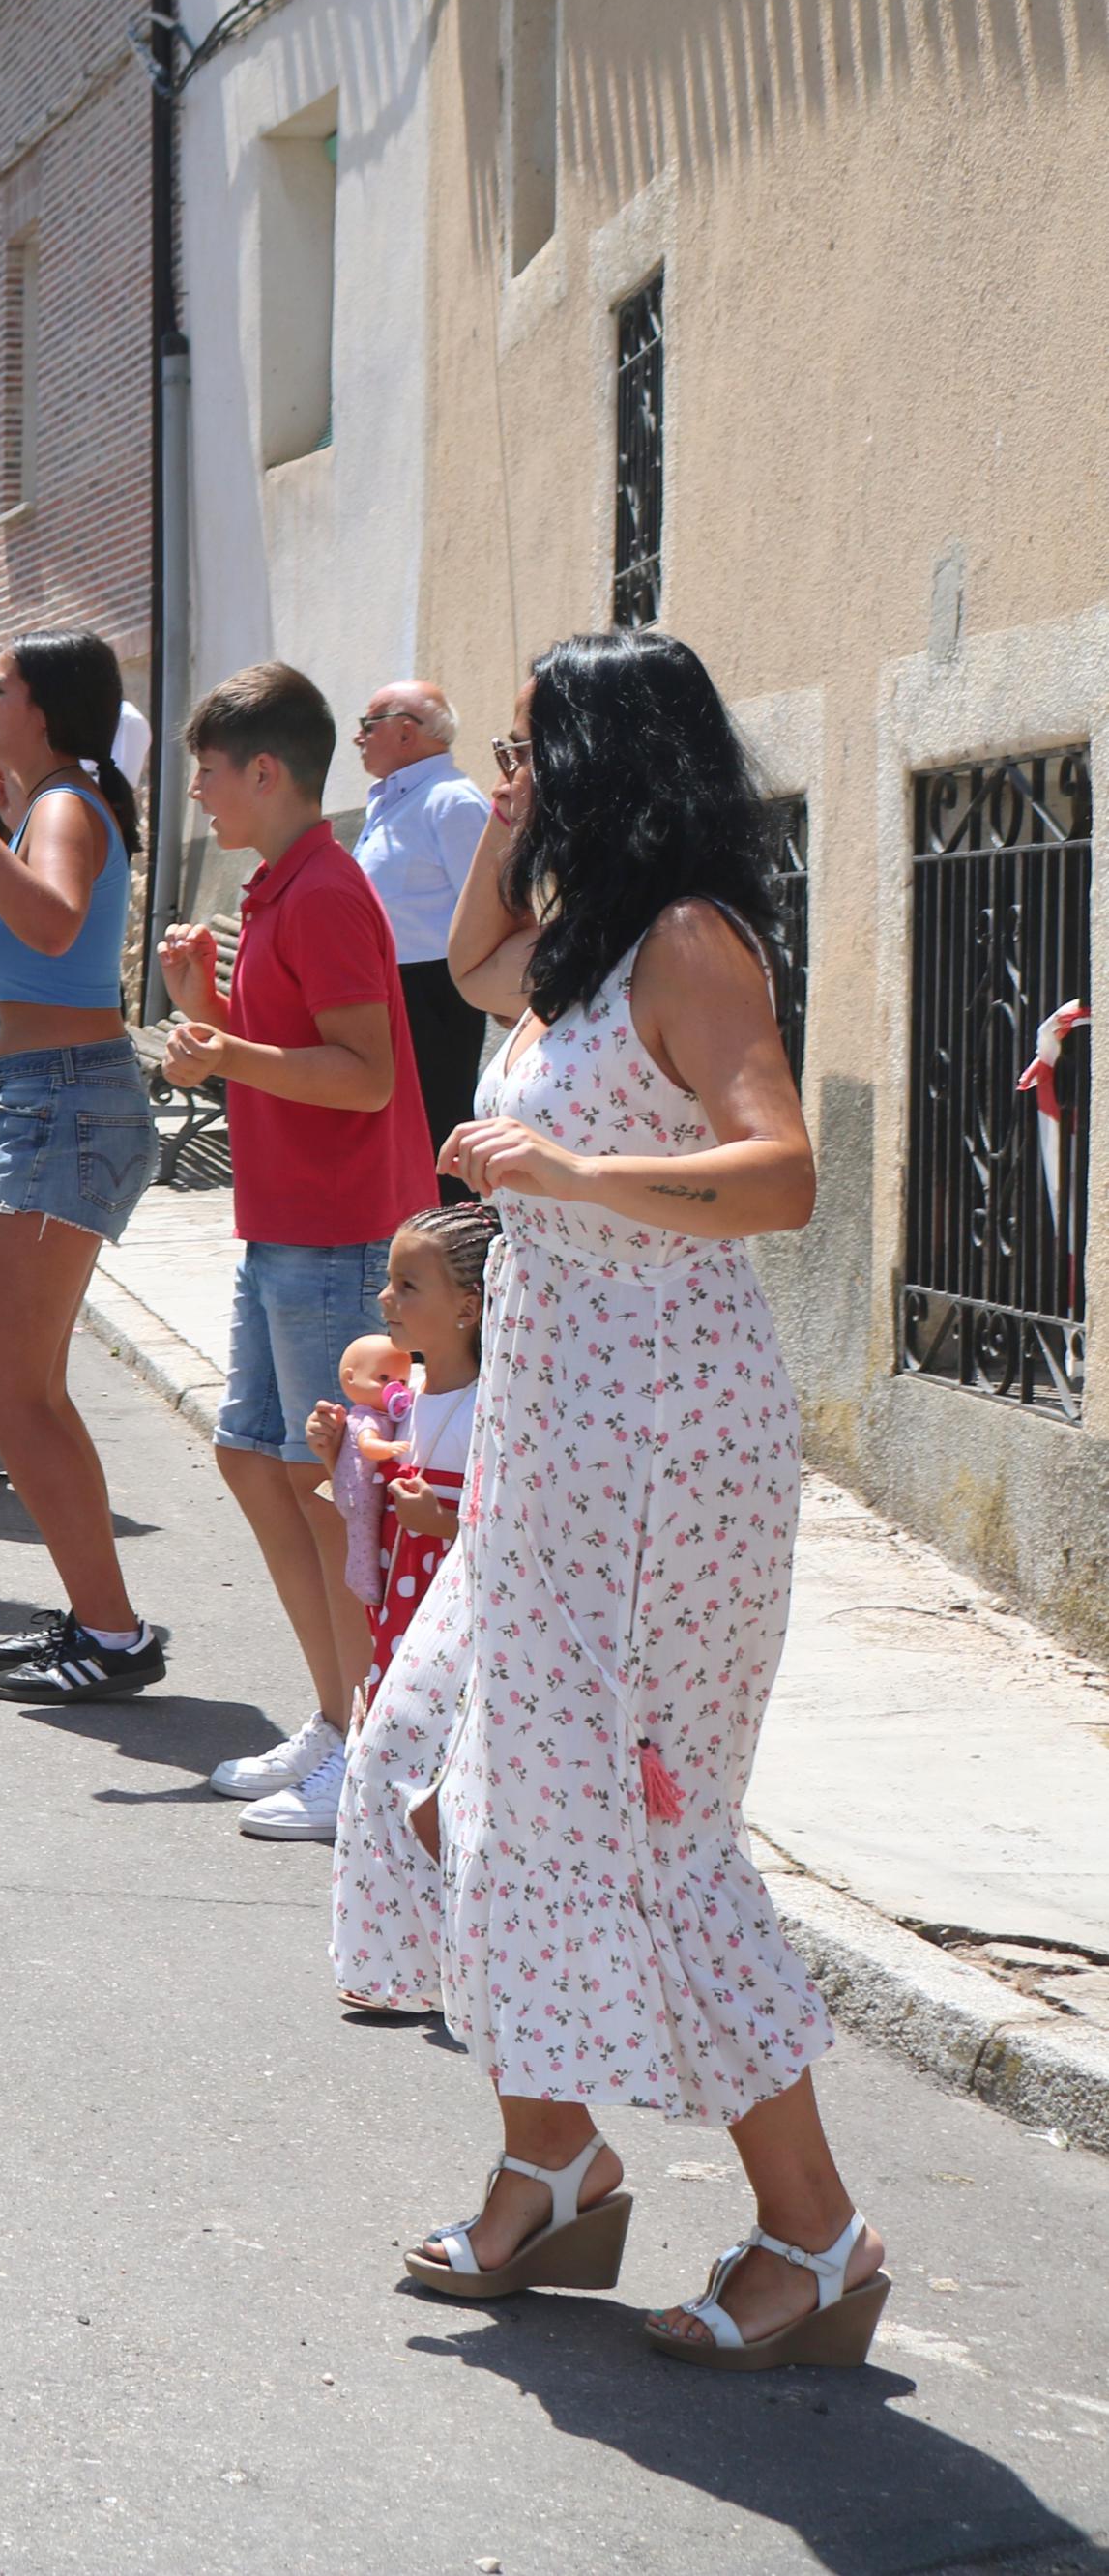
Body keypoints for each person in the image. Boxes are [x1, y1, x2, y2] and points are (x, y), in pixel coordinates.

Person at [401, 629, 884, 2372]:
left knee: (652, 1828)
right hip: (553, 1425)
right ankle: (552, 2158)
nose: (512, 775)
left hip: (661, 1442)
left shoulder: (688, 941)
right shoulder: (581, 936)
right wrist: (499, 828)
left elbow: (780, 1174)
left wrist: (577, 1171)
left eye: (535, 750)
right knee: (439, 1772)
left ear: (617, 756)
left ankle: (813, 2236)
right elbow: (467, 967)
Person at [151, 662, 436, 1813]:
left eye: (209, 777)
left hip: (342, 1236)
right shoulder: (277, 887)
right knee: (256, 1458)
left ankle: (367, 1753)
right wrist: (207, 1015)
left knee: (334, 1497)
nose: (200, 800)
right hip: (287, 1227)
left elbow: (362, 1080)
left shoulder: (317, 890)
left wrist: (222, 1049)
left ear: (263, 771)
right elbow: (288, 1069)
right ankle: (334, 1721)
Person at [0, 629, 168, 1703]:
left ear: (45, 706)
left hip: (66, 1099)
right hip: (48, 1097)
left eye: (0, 687)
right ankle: (101, 1621)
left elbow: (50, 917)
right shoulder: (49, 809)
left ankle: (113, 1630)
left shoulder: (62, 806)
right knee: (21, 1384)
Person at [291, 1202, 486, 1902]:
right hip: (399, 1602)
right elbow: (370, 1495)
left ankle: (446, 1916)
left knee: (439, 1764)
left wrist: (443, 1524)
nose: (384, 1299)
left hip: (453, 1617)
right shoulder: (411, 1396)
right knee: (399, 1750)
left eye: (407, 1285)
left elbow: (516, 1532)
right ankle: (406, 1915)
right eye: (388, 1281)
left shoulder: (492, 1407)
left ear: (468, 1305)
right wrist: (337, 1451)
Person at [350, 680, 496, 1197]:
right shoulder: (392, 802)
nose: (357, 738)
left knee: (437, 1124)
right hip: (387, 985)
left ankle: (455, 1248)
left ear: (405, 732)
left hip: (434, 990)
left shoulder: (451, 802)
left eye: (368, 725)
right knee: (395, 1129)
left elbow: (489, 907)